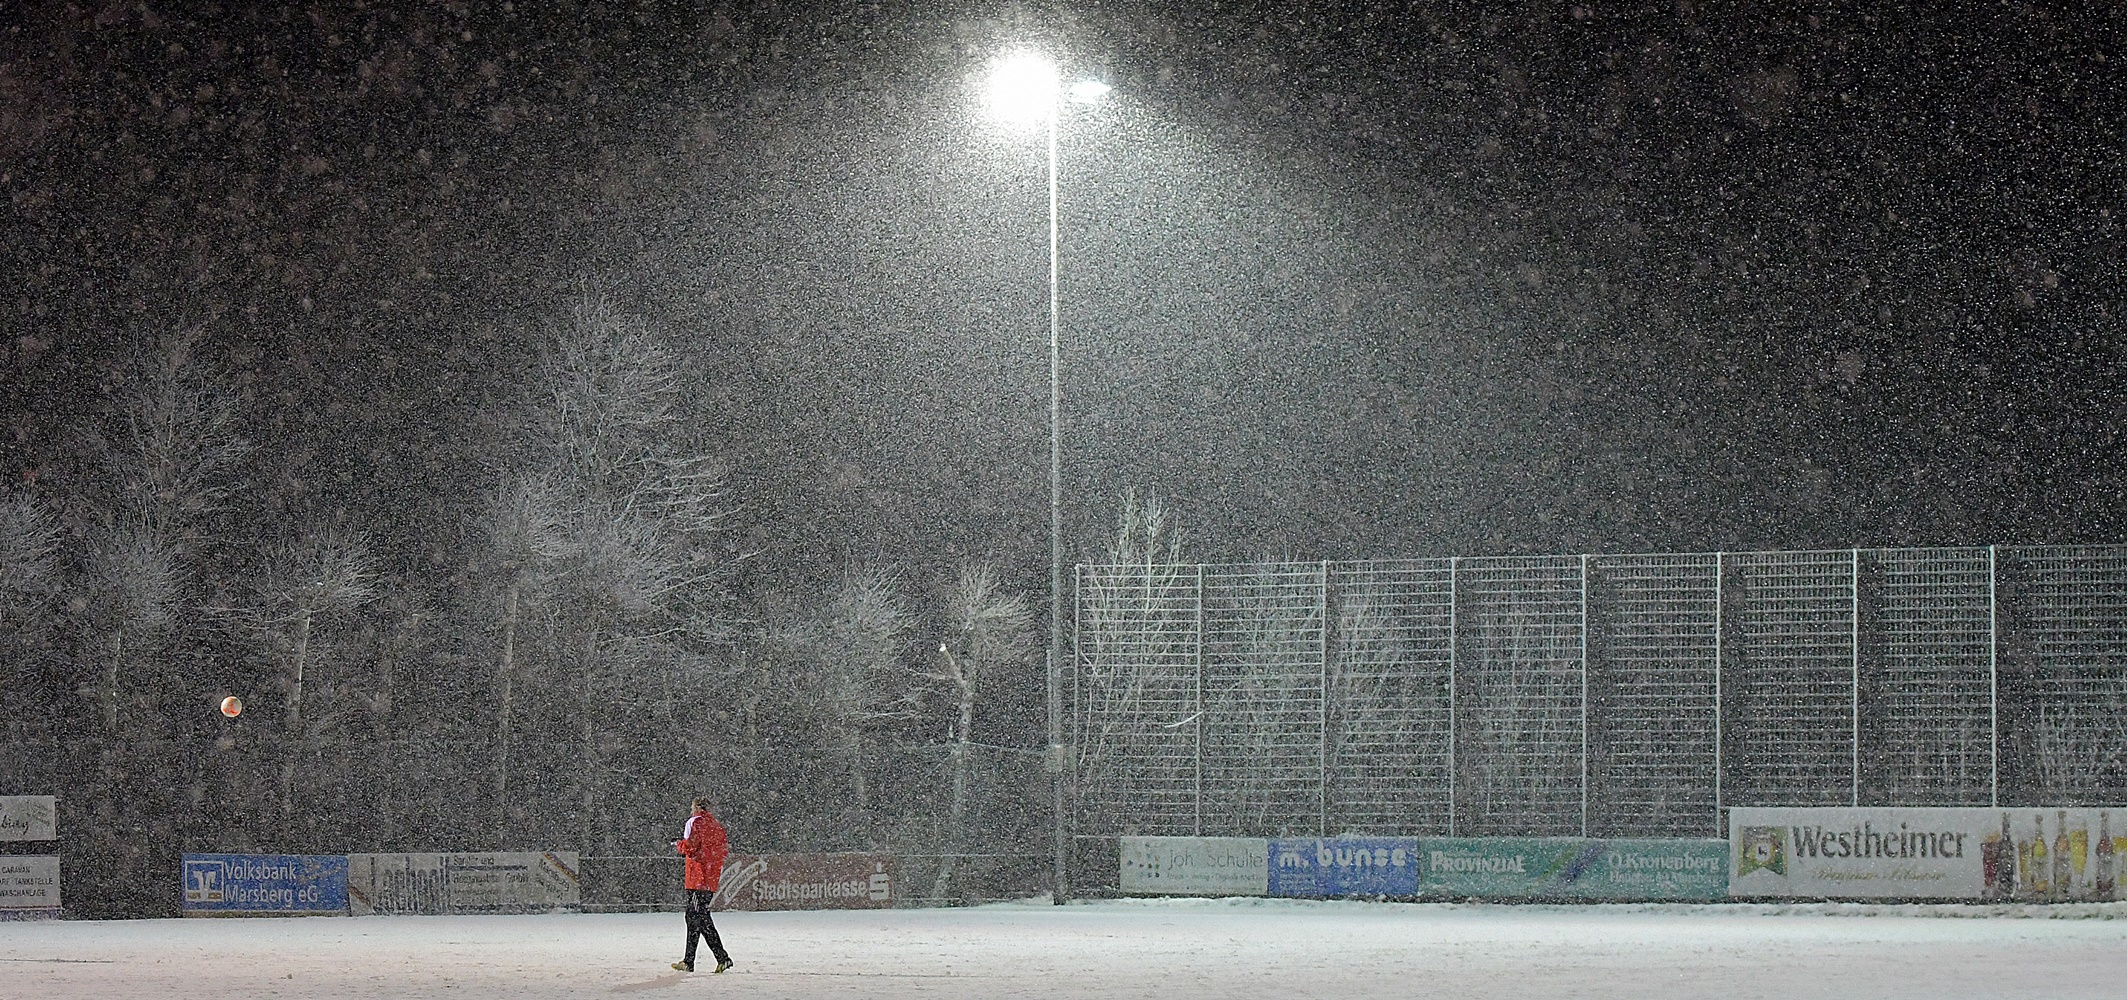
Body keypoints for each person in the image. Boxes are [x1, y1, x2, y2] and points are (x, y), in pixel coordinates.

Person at [671, 797, 734, 974]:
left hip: (697, 877)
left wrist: (678, 845)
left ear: (697, 807)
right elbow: (723, 851)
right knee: (697, 917)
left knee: (697, 917)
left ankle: (718, 958)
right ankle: (692, 961)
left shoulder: (694, 822)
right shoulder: (717, 826)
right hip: (711, 878)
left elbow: (690, 847)